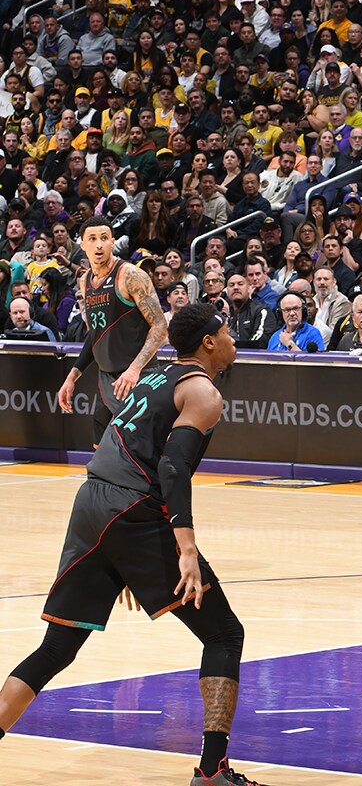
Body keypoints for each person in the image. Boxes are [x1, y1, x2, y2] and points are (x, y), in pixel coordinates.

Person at [0, 305, 258, 786]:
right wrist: (184, 548)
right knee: (224, 634)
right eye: (226, 331)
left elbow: (124, 442)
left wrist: (124, 560)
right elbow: (173, 469)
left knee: (57, 645)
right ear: (207, 342)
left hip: (93, 502)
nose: (232, 339)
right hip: (134, 509)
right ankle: (212, 771)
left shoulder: (155, 377)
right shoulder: (202, 390)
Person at [56, 217, 168, 444]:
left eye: (104, 238)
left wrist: (135, 369)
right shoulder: (85, 280)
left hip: (138, 377)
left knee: (140, 449)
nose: (99, 245)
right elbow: (96, 334)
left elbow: (160, 326)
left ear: (112, 242)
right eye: (93, 239)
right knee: (102, 444)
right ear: (82, 244)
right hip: (108, 379)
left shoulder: (130, 275)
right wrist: (73, 375)